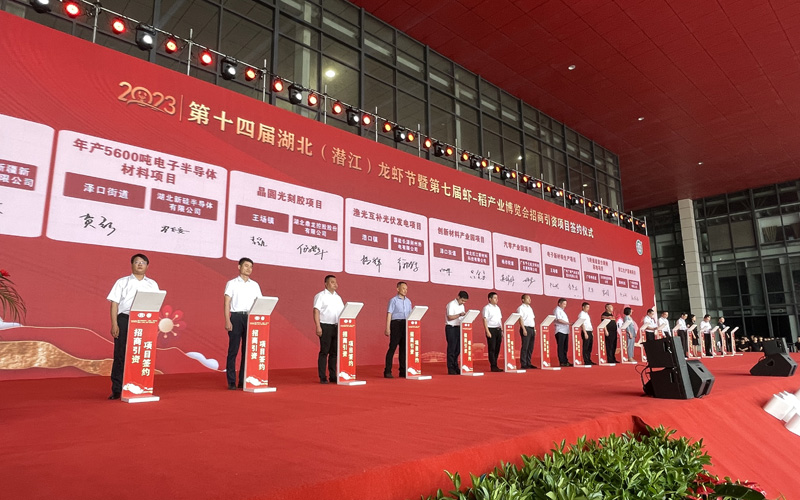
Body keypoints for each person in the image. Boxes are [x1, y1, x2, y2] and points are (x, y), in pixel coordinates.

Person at [106, 253, 160, 400]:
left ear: (147, 266)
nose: (140, 264)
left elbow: (156, 304)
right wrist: (114, 323)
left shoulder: (152, 284)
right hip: (125, 319)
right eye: (137, 262)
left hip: (145, 321)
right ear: (132, 265)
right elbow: (114, 304)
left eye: (143, 262)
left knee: (142, 354)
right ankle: (117, 389)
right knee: (120, 354)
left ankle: (140, 386)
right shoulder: (122, 282)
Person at [223, 257, 263, 390]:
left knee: (248, 351)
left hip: (251, 318)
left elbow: (260, 302)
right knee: (233, 350)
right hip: (236, 317)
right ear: (239, 267)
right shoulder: (232, 283)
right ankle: (231, 381)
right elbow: (227, 303)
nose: (249, 269)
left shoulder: (255, 285)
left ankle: (243, 380)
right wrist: (227, 320)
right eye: (246, 266)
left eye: (251, 267)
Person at [313, 275, 345, 384]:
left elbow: (342, 311)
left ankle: (333, 375)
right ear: (326, 284)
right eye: (332, 282)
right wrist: (318, 326)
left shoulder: (338, 297)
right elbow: (316, 311)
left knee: (334, 353)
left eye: (335, 282)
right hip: (325, 326)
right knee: (324, 352)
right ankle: (322, 376)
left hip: (336, 327)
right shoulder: (320, 296)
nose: (335, 284)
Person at [384, 281, 411, 378]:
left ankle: (402, 371)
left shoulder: (408, 301)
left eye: (406, 289)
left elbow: (411, 314)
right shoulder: (393, 300)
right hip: (396, 324)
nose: (405, 290)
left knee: (403, 349)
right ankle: (387, 371)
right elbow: (389, 314)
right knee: (392, 347)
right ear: (397, 289)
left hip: (405, 324)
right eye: (403, 288)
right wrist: (387, 328)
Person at [444, 291, 469, 375]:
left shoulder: (462, 306)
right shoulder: (451, 304)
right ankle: (450, 367)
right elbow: (450, 317)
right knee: (452, 348)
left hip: (459, 327)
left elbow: (462, 317)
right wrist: (459, 315)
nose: (463, 302)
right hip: (451, 327)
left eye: (465, 301)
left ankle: (455, 366)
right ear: (458, 297)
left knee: (458, 348)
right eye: (462, 300)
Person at [482, 292, 503, 372]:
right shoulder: (486, 308)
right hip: (491, 329)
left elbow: (499, 320)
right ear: (490, 299)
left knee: (497, 348)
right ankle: (493, 365)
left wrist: (501, 330)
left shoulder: (498, 308)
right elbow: (484, 320)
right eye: (494, 298)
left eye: (497, 298)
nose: (496, 299)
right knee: (492, 348)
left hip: (498, 329)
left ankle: (495, 364)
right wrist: (487, 331)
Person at [516, 294, 536, 369]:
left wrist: (534, 329)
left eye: (530, 298)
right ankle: (523, 363)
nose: (529, 299)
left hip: (531, 328)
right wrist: (523, 328)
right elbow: (520, 319)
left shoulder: (530, 308)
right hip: (525, 328)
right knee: (525, 346)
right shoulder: (520, 308)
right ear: (523, 300)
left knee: (530, 347)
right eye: (527, 298)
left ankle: (528, 362)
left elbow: (532, 319)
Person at [554, 298, 571, 367]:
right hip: (560, 331)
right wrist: (568, 323)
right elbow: (559, 320)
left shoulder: (562, 311)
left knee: (565, 347)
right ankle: (562, 361)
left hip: (565, 331)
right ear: (559, 304)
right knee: (561, 347)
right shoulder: (557, 310)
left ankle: (565, 361)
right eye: (564, 304)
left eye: (565, 304)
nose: (565, 305)